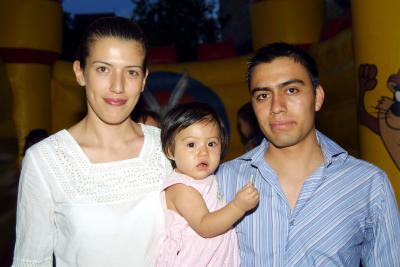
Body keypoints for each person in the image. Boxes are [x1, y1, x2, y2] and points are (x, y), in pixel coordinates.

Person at [216, 42, 400, 266]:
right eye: (263, 95)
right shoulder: (222, 181)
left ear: (318, 97)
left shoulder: (368, 184)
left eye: (291, 90)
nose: (276, 107)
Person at [12, 17, 172, 266]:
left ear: (143, 80)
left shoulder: (167, 148)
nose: (117, 87)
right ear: (80, 72)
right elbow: (31, 261)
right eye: (103, 69)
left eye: (131, 72)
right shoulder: (45, 160)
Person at [157, 102, 259, 267]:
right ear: (170, 151)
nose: (203, 152)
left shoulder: (211, 178)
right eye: (191, 144)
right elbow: (205, 225)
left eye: (211, 144)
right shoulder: (181, 188)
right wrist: (239, 206)